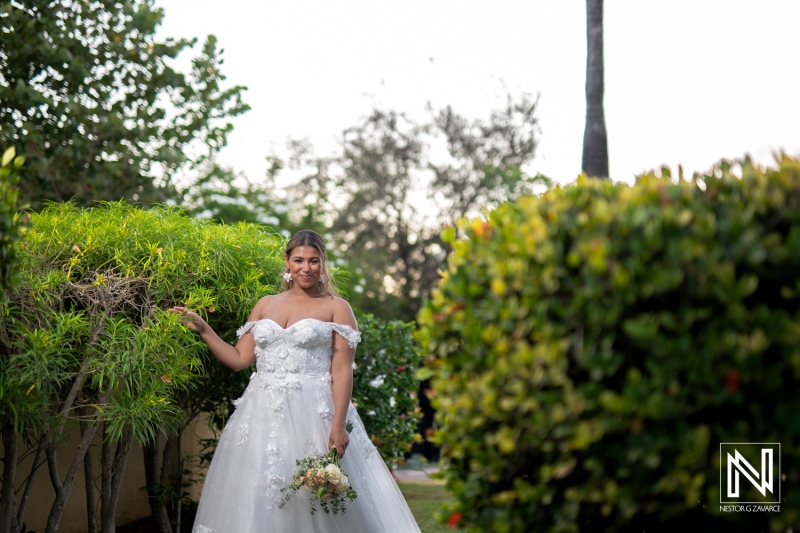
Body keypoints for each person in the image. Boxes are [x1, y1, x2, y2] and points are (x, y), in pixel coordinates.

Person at [170, 230, 421, 533]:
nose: (306, 267)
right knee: (261, 492)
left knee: (314, 499)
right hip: (261, 414)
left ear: (323, 263)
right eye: (299, 260)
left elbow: (342, 371)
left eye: (314, 261)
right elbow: (239, 360)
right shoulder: (265, 304)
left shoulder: (337, 307)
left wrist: (338, 424)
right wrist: (203, 328)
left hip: (315, 413)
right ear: (287, 262)